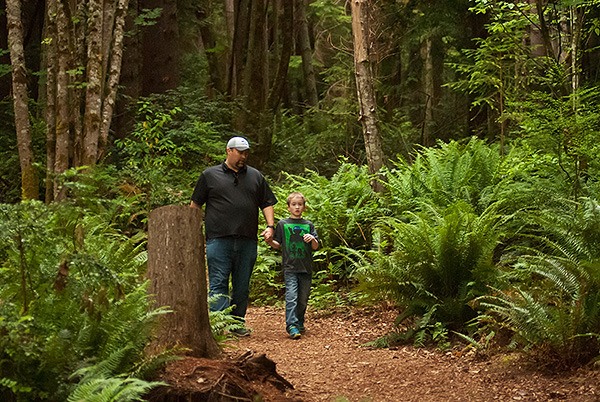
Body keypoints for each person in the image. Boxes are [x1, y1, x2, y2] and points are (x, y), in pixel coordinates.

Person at [190, 136, 277, 336]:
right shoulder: (209, 175)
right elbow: (195, 204)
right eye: (239, 152)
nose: (243, 156)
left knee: (242, 284)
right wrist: (193, 230)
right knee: (218, 281)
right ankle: (219, 326)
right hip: (218, 239)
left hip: (247, 239)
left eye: (246, 153)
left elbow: (267, 203)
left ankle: (237, 323)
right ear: (229, 151)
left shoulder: (255, 176)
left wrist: (270, 226)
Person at [265, 192, 319, 339]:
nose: (297, 207)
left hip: (306, 267)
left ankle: (300, 321)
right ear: (288, 207)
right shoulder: (283, 224)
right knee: (291, 296)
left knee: (303, 299)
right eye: (294, 205)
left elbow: (316, 246)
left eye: (300, 205)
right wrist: (269, 241)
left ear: (304, 207)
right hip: (290, 267)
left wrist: (312, 238)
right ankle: (292, 326)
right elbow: (277, 244)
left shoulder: (309, 225)